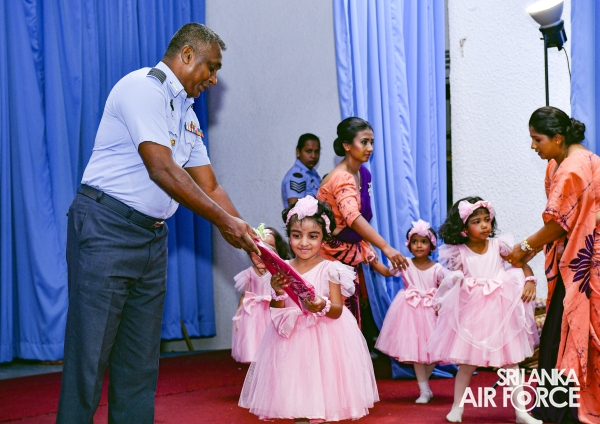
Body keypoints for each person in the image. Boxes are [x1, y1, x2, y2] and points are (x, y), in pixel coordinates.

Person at [57, 23, 261, 423]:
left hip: (151, 239)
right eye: (211, 67)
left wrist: (251, 238)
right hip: (106, 229)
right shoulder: (142, 89)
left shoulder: (186, 113)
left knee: (139, 361)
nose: (214, 79)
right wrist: (225, 223)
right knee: (89, 356)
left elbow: (210, 185)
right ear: (187, 55)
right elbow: (162, 168)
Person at [239, 196, 379, 423]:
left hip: (326, 339)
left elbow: (337, 310)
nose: (304, 242)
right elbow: (277, 310)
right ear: (289, 236)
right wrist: (278, 292)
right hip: (290, 341)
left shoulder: (331, 269)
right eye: (297, 235)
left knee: (323, 397)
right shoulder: (282, 269)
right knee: (297, 398)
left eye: (313, 236)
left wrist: (322, 305)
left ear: (324, 238)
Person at [504, 106, 600, 424]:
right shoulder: (580, 160)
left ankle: (566, 410)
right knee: (569, 328)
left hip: (583, 263)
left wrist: (524, 248)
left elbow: (560, 222)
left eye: (537, 139)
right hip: (582, 257)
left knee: (569, 329)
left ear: (558, 138)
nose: (533, 146)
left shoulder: (571, 167)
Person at [426, 197, 540, 424]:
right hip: (473, 312)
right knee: (467, 363)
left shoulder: (499, 246)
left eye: (487, 220)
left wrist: (529, 280)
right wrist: (445, 298)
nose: (484, 225)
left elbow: (521, 263)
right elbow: (450, 281)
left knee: (511, 362)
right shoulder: (458, 252)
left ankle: (521, 412)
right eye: (476, 222)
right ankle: (457, 408)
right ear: (464, 228)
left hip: (501, 311)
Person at [317, 117, 408, 324]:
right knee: (337, 323)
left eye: (372, 142)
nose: (370, 148)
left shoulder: (362, 173)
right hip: (331, 259)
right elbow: (353, 218)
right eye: (364, 142)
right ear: (347, 145)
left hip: (349, 256)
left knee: (351, 323)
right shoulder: (342, 177)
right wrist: (385, 247)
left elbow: (357, 224)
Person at [375, 219, 445, 404]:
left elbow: (445, 289)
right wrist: (373, 261)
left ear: (431, 246)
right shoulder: (405, 263)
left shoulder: (438, 269)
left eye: (423, 241)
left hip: (431, 312)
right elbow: (387, 272)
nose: (419, 245)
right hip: (410, 312)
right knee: (417, 354)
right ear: (409, 245)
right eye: (415, 242)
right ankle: (424, 390)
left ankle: (425, 384)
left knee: (434, 353)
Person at [231, 226, 290, 363]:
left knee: (272, 338)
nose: (264, 252)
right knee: (254, 337)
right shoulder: (249, 273)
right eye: (259, 248)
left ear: (278, 250)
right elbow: (245, 295)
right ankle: (256, 362)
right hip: (254, 313)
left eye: (270, 247)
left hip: (272, 310)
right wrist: (238, 315)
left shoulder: (279, 272)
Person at [281, 133, 322, 207]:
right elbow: (295, 210)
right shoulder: (296, 176)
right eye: (308, 151)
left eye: (316, 151)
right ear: (298, 152)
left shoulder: (313, 174)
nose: (313, 156)